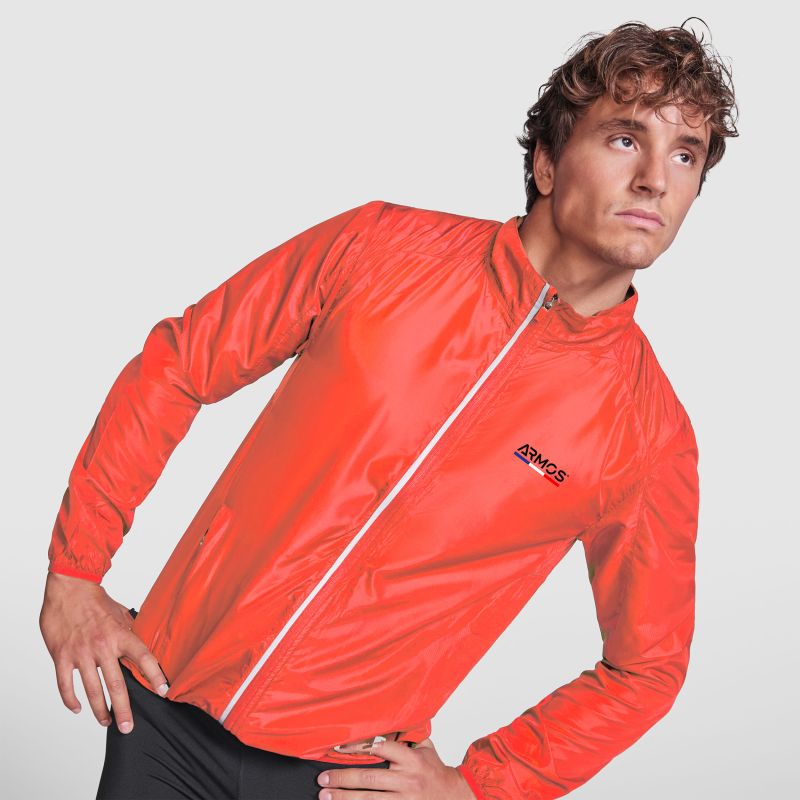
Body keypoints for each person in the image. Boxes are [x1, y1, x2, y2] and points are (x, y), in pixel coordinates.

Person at [39, 18, 738, 800]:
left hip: (340, 779)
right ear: (546, 162)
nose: (655, 179)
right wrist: (75, 570)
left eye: (686, 154)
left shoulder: (648, 431)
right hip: (165, 713)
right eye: (625, 139)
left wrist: (479, 784)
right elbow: (179, 364)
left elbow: (648, 666)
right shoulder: (380, 248)